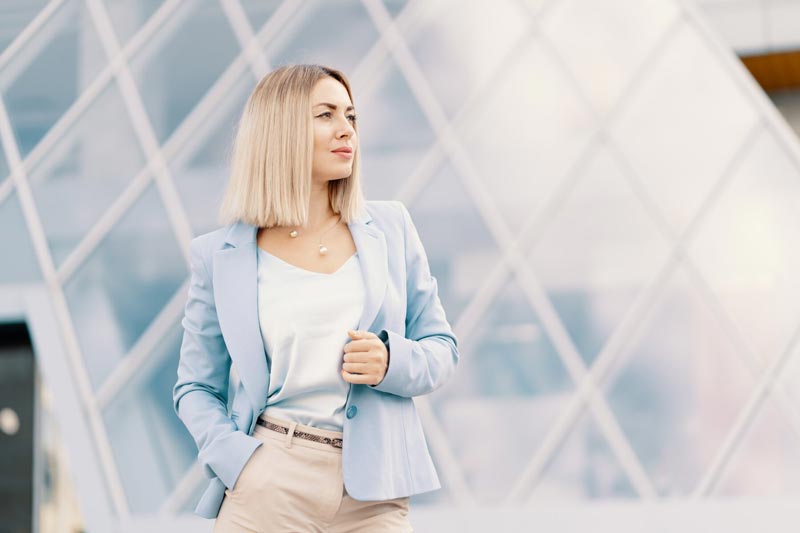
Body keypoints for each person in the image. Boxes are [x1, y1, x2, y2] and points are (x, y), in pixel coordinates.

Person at [172, 64, 459, 532]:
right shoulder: (219, 255)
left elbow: (442, 348)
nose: (346, 129)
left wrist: (391, 361)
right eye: (325, 115)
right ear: (280, 130)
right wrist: (238, 461)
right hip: (268, 483)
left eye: (351, 116)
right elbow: (195, 388)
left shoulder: (391, 227)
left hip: (373, 493)